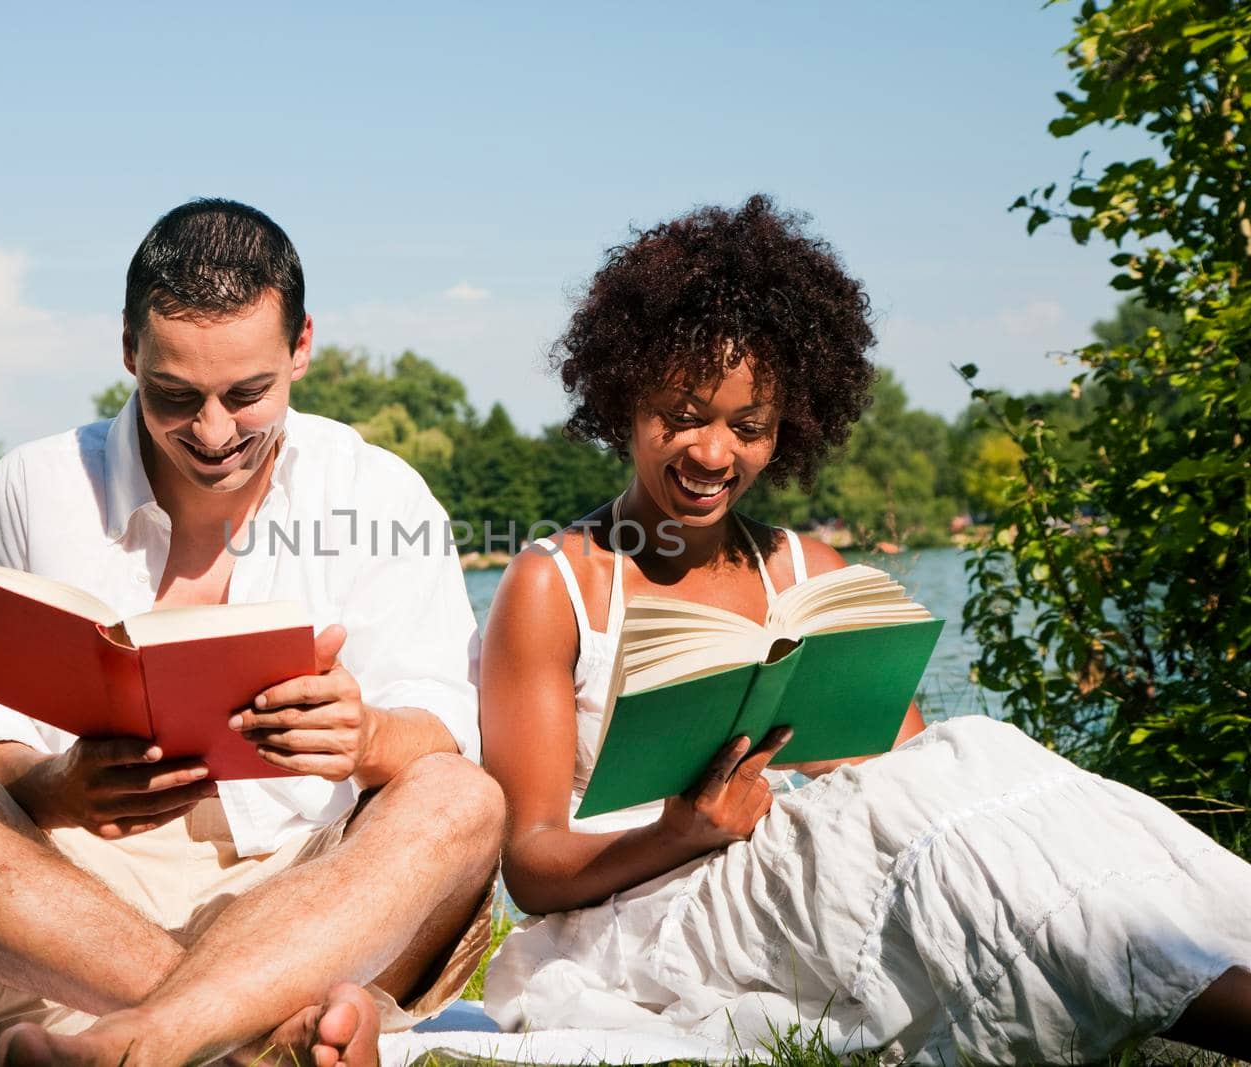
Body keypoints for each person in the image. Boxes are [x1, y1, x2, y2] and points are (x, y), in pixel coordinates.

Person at [478, 196, 1251, 1062]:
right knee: (957, 801)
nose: (711, 453)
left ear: (789, 429)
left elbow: (930, 786)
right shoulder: (555, 583)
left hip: (794, 884)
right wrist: (682, 831)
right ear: (623, 395)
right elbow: (532, 866)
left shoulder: (812, 571)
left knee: (978, 754)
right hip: (648, 912)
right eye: (684, 412)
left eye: (749, 426)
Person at [0, 198, 503, 1067]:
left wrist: (365, 736)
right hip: (43, 905)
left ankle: (142, 1041)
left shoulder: (382, 494)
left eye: (248, 395)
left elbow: (443, 727)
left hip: (309, 899)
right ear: (130, 351)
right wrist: (56, 785)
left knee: (463, 799)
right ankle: (255, 1035)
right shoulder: (29, 489)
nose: (213, 434)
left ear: (303, 346)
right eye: (174, 395)